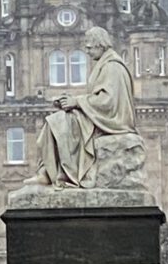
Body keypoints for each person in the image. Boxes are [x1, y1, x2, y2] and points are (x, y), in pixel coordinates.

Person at [24, 26, 138, 188]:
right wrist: (72, 102)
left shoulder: (112, 66)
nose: (87, 51)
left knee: (59, 122)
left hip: (112, 121)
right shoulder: (105, 63)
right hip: (101, 116)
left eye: (90, 48)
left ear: (100, 45)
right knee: (58, 120)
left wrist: (77, 102)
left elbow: (108, 101)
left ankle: (54, 173)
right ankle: (47, 172)